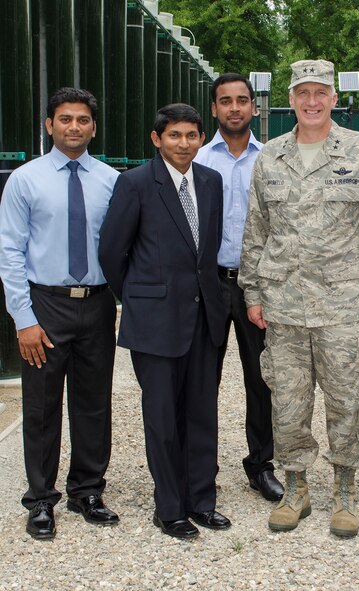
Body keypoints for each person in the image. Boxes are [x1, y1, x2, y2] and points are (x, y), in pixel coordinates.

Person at [239, 59, 359, 538]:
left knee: (347, 399)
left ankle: (345, 488)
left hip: (345, 305)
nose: (312, 101)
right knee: (287, 402)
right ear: (291, 99)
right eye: (303, 93)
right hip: (284, 304)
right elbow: (256, 230)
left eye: (321, 93)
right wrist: (252, 289)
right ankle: (296, 487)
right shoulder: (270, 155)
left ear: (334, 99)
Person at [99, 104, 230, 539]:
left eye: (192, 135)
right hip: (155, 322)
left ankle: (202, 500)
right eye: (174, 135)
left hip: (204, 319)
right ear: (157, 139)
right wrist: (140, 298)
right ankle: (169, 508)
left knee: (202, 414)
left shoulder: (211, 182)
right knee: (162, 418)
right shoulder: (134, 183)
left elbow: (205, 254)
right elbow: (113, 254)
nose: (184, 143)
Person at [0, 87, 119, 539]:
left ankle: (87, 490)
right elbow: (9, 251)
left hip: (97, 302)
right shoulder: (25, 180)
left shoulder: (109, 179)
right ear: (49, 125)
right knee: (43, 407)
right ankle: (41, 499)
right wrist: (24, 320)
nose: (74, 127)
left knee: (94, 404)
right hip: (44, 304)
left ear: (93, 126)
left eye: (83, 120)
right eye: (65, 119)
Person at [195, 73, 284, 503]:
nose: (234, 108)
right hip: (206, 284)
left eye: (242, 100)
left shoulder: (271, 160)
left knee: (261, 379)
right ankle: (200, 466)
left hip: (257, 285)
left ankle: (261, 465)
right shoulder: (194, 157)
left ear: (254, 107)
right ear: (214, 108)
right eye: (225, 101)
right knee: (200, 378)